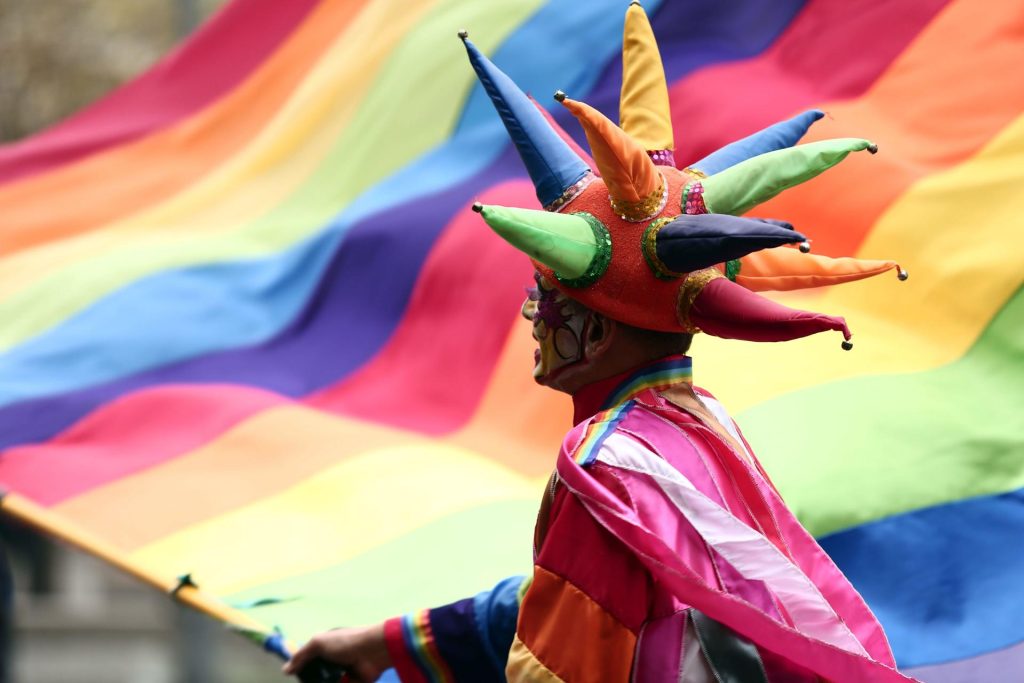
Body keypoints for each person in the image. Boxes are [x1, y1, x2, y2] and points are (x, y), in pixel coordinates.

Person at [286, 4, 916, 681]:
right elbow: (566, 594)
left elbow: (557, 660)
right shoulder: (696, 423)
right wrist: (387, 641)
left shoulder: (605, 460)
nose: (532, 312)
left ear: (598, 328)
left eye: (548, 293)